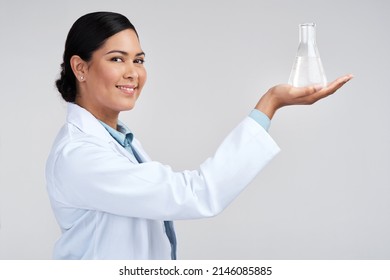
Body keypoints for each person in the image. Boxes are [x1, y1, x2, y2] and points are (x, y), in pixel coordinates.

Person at [45, 11, 353, 260]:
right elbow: (196, 194)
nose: (133, 73)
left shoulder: (118, 141)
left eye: (138, 60)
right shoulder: (80, 155)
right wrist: (270, 103)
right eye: (116, 59)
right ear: (80, 68)